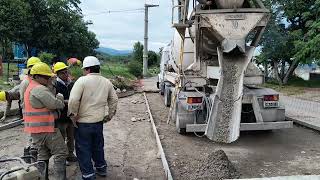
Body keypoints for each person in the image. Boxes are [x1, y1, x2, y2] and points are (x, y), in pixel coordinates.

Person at [68, 56, 118, 180]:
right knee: (98, 146)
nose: (83, 72)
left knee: (83, 149)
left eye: (84, 69)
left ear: (88, 69)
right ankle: (101, 169)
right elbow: (114, 99)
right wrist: (110, 115)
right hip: (98, 122)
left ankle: (88, 175)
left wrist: (73, 115)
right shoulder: (106, 82)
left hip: (83, 123)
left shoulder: (82, 81)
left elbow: (73, 100)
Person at [23, 62, 68, 180]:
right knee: (61, 152)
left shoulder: (31, 87)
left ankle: (42, 178)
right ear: (36, 76)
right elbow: (55, 104)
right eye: (46, 77)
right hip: (46, 129)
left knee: (43, 155)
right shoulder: (39, 89)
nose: (48, 79)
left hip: (36, 130)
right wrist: (60, 98)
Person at [53, 62, 77, 163]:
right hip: (61, 117)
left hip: (70, 116)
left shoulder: (71, 83)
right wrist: (66, 102)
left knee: (71, 137)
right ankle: (62, 157)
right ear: (58, 74)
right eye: (63, 73)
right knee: (61, 138)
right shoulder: (55, 85)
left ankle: (70, 154)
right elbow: (54, 100)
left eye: (66, 72)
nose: (66, 74)